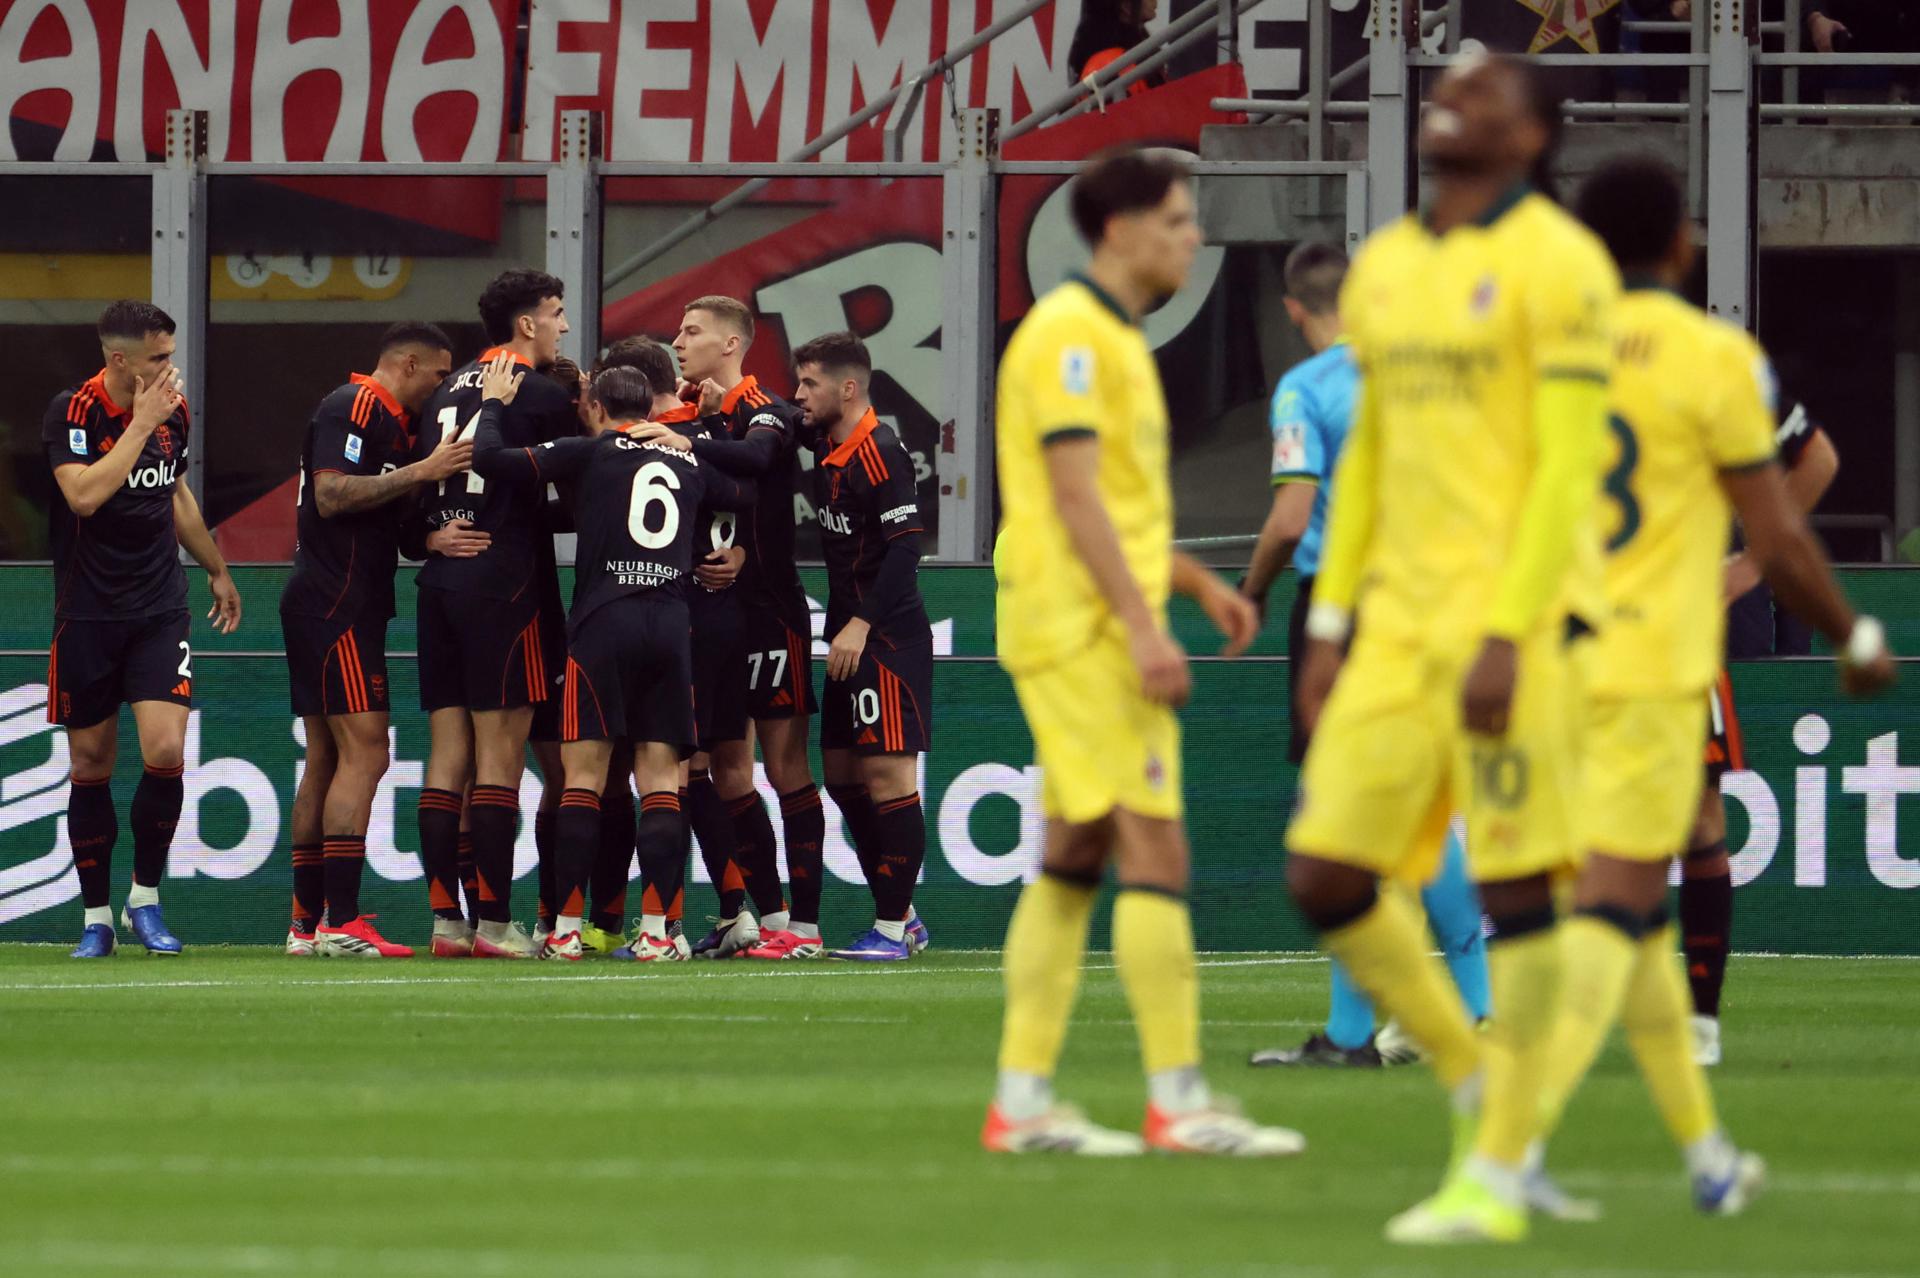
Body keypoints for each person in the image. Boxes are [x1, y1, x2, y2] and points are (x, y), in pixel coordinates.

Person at [1284, 53, 1619, 1242]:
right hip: (1393, 625)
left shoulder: (1562, 267)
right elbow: (1367, 461)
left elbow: (1571, 465)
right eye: (1448, 86)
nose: (1450, 98)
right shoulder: (1391, 269)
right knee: (1324, 873)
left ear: (1530, 136)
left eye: (1482, 93)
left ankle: (1500, 1163)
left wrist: (1509, 629)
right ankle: (1483, 1092)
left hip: (1516, 625)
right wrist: (1329, 623)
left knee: (1520, 884)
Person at [1528, 154, 1895, 1217]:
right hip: (1654, 655)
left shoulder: (1544, 357)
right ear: (1683, 246)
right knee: (1622, 887)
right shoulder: (1715, 357)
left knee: (1633, 868)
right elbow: (1793, 502)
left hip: (1553, 646)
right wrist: (1844, 625)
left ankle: (1695, 1125)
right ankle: (1518, 1137)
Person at [981, 145, 1303, 1158]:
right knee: (1154, 846)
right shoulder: (1073, 338)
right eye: (1176, 220)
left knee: (1076, 853)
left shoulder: (1105, 339)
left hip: (1073, 617)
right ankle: (1179, 1101)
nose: (1192, 236)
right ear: (1119, 231)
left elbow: (1110, 503)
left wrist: (1198, 582)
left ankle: (1023, 1101)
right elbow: (1074, 501)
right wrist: (1141, 623)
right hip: (1079, 629)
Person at [1240, 242, 1491, 1068]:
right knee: (1418, 810)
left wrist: (1252, 591)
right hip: (1425, 601)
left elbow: (1289, 517)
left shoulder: (1307, 389)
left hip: (1341, 608)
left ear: (1293, 309)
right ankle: (1480, 1003)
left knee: (1338, 821)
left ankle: (1352, 1035)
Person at [470, 359, 758, 961]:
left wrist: (493, 404)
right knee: (660, 781)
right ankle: (658, 934)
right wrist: (706, 432)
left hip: (604, 623)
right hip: (670, 625)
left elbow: (492, 461)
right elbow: (745, 492)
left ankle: (567, 932)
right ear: (651, 412)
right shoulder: (690, 459)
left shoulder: (591, 451)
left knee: (584, 779)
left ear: (598, 409)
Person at [45, 301, 243, 959]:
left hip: (159, 609)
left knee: (164, 752)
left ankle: (145, 901)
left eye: (170, 354)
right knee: (90, 763)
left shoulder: (171, 414)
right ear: (119, 359)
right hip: (88, 615)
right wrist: (140, 423)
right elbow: (84, 495)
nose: (169, 368)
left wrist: (215, 567)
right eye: (157, 358)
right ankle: (96, 917)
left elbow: (175, 493)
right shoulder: (72, 413)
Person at [280, 322, 465, 958]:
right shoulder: (355, 404)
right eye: (439, 373)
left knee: (327, 760)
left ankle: (306, 925)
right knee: (366, 754)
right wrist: (425, 469)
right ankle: (343, 920)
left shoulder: (395, 426)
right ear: (407, 363)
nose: (442, 386)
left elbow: (386, 517)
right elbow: (332, 495)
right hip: (335, 604)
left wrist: (426, 537)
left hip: (336, 601)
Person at [411, 269, 576, 959]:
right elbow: (587, 487)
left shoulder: (439, 396)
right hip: (506, 586)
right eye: (557, 314)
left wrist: (428, 534)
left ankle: (447, 921)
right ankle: (496, 924)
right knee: (500, 762)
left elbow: (421, 490)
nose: (564, 327)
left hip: (441, 581)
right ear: (528, 324)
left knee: (447, 758)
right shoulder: (536, 394)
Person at [663, 298, 830, 960]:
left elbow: (759, 461)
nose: (679, 340)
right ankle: (771, 915)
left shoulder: (766, 409)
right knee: (727, 768)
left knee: (787, 765)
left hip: (772, 613)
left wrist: (692, 437)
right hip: (716, 619)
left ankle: (810, 931)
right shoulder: (694, 416)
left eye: (692, 331)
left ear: (731, 344)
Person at [1686, 387, 1839, 1063]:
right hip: (1575, 631)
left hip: (1672, 641)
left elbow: (1816, 459)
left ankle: (1699, 1022)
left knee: (1698, 826)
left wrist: (1751, 563)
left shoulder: (1710, 366)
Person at [604, 336, 759, 957]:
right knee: (705, 772)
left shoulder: (643, 440)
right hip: (716, 618)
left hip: (672, 616)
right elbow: (747, 496)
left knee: (672, 771)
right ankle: (732, 911)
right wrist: (744, 547)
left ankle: (666, 922)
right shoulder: (704, 431)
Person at [792, 332, 932, 962]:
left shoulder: (882, 451)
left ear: (848, 388)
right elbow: (771, 423)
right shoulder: (827, 439)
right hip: (849, 637)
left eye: (809, 385)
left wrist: (863, 624)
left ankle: (892, 928)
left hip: (886, 637)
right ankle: (903, 914)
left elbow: (907, 548)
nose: (799, 397)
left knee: (887, 775)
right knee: (844, 777)